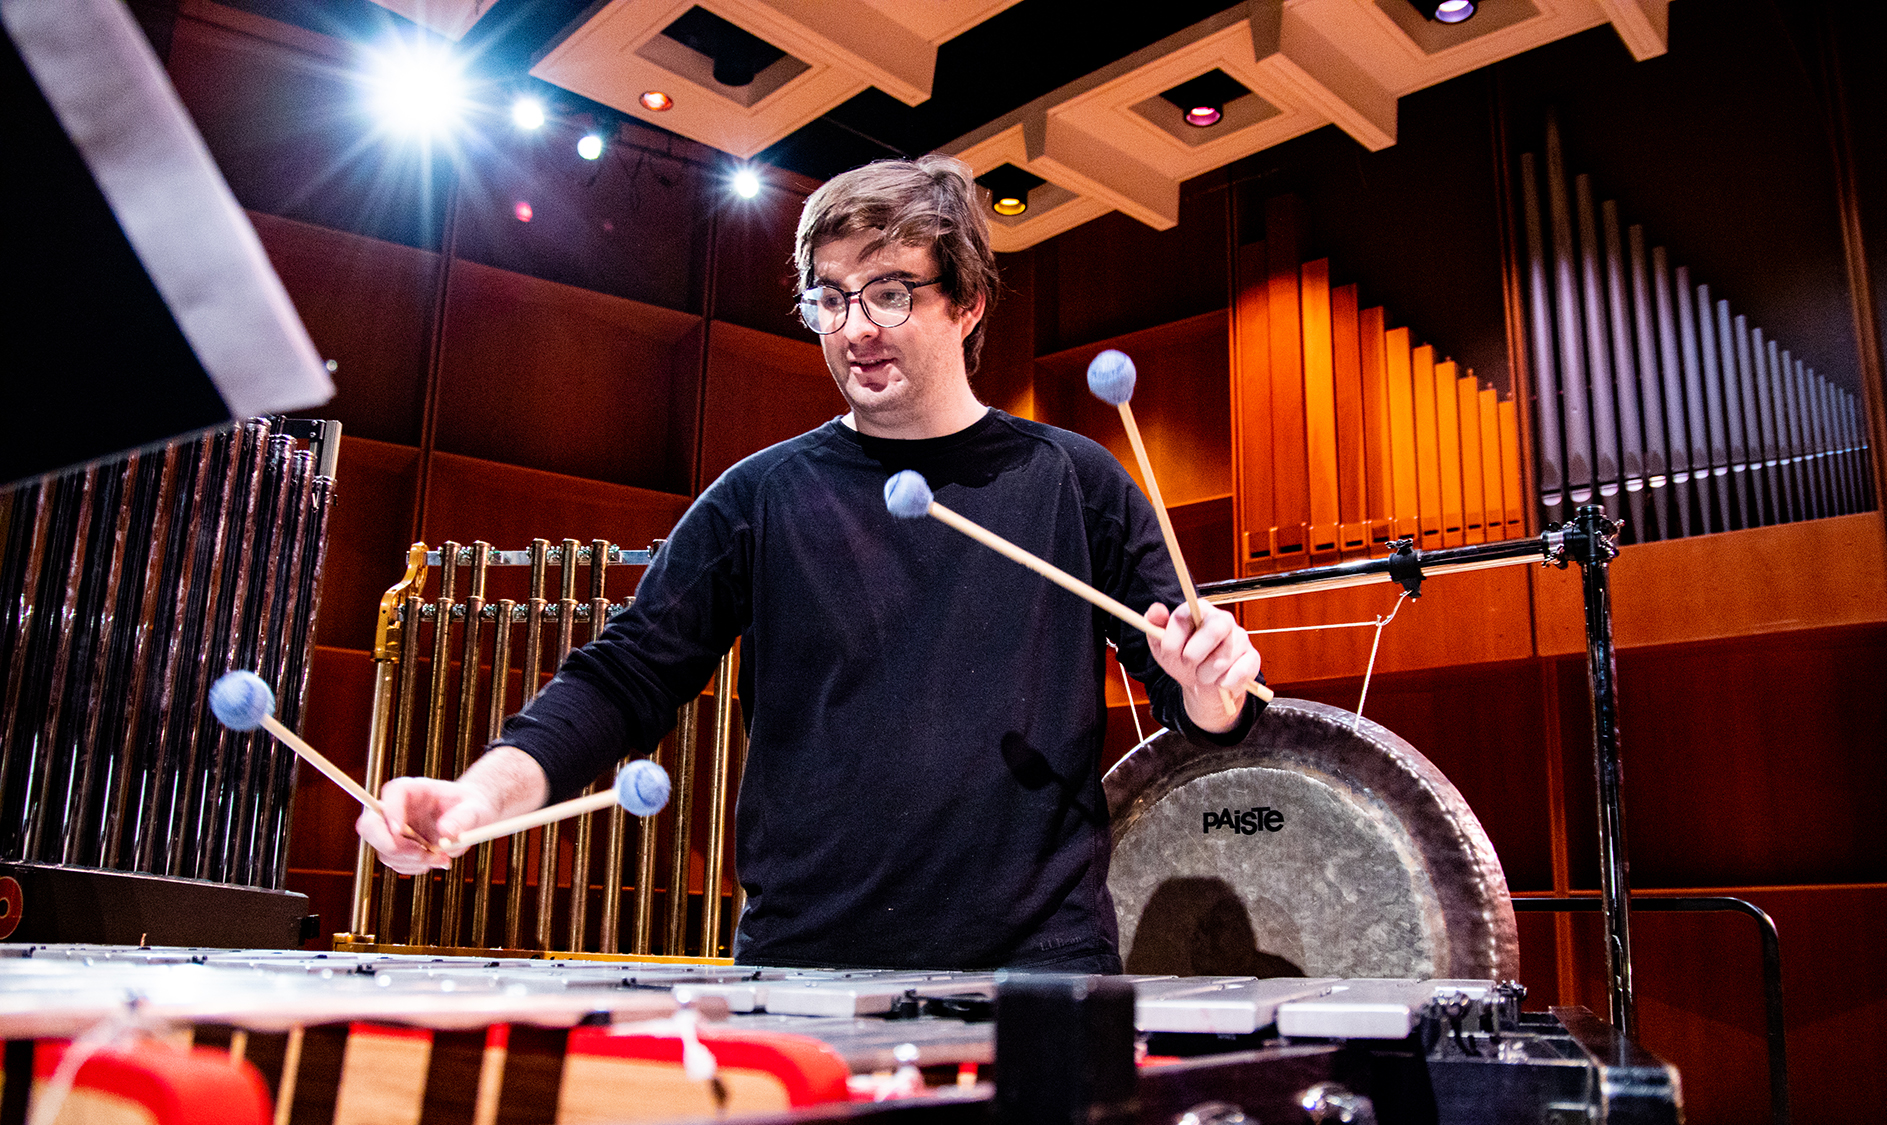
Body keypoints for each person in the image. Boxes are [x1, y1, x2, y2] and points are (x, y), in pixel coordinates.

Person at [358, 154, 1264, 973]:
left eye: (890, 292)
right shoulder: (760, 497)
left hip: (1038, 964)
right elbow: (623, 677)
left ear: (968, 301)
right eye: (830, 298)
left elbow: (1194, 702)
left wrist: (1209, 682)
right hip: (807, 964)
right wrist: (480, 798)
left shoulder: (1076, 482)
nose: (855, 327)